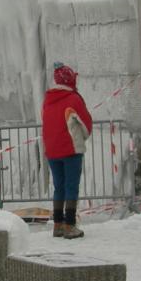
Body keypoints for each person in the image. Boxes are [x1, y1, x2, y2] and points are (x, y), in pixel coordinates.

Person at [41, 62, 93, 238]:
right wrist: (82, 137)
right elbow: (86, 124)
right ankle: (70, 225)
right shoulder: (73, 99)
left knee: (59, 187)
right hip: (71, 150)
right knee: (71, 187)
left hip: (52, 152)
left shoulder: (47, 100)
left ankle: (57, 224)